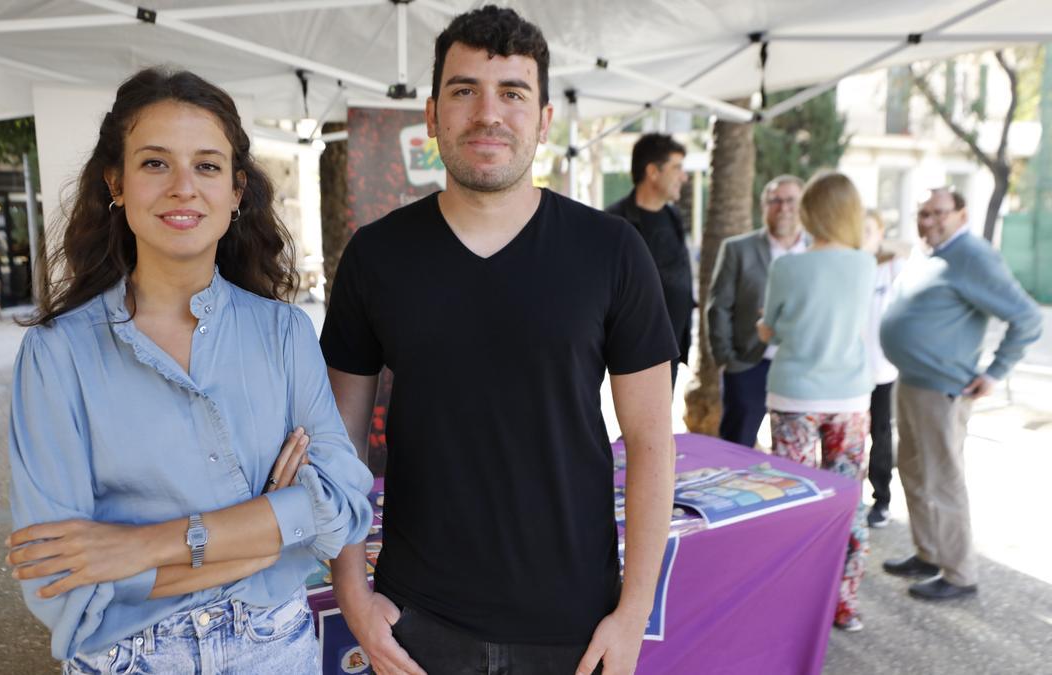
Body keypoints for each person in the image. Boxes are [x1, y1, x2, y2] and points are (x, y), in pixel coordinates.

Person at [321, 6, 679, 675]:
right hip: (417, 623)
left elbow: (653, 441)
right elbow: (334, 441)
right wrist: (352, 593)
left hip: (574, 625)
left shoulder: (613, 252)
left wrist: (633, 614)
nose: (489, 114)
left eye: (513, 93)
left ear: (544, 119)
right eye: (464, 91)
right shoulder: (376, 256)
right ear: (432, 114)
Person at [4, 68, 373, 672]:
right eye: (155, 163)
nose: (183, 187)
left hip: (276, 650)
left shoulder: (284, 333)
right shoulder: (56, 355)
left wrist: (138, 546)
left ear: (236, 191)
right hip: (129, 659)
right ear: (115, 182)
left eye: (206, 165)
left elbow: (341, 505)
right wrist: (263, 539)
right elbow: (58, 578)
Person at [880, 188, 1042, 601]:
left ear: (961, 214)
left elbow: (1026, 318)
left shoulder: (973, 255)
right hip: (913, 383)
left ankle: (959, 573)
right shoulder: (930, 253)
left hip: (943, 389)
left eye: (938, 213)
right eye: (922, 213)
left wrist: (995, 373)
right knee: (913, 473)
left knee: (943, 481)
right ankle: (928, 553)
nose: (928, 221)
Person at [756, 171, 876, 632]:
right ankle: (844, 603)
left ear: (810, 210)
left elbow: (773, 329)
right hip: (848, 397)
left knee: (796, 499)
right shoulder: (865, 264)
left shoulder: (788, 266)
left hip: (794, 395)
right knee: (848, 497)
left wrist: (765, 326)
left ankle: (794, 598)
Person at [706, 174, 808, 448]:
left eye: (790, 200)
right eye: (775, 200)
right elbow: (719, 307)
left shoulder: (817, 251)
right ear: (764, 206)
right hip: (750, 364)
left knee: (795, 451)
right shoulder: (738, 249)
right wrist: (727, 361)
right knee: (736, 447)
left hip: (802, 367)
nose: (783, 207)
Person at [606, 133, 693, 390]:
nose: (684, 177)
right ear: (653, 172)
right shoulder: (614, 223)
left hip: (674, 348)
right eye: (677, 168)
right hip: (635, 355)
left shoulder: (674, 215)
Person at [862, 211, 905, 528]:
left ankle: (881, 499)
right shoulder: (847, 267)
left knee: (880, 435)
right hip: (848, 374)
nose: (862, 236)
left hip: (882, 370)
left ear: (880, 233)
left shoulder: (892, 267)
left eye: (868, 230)